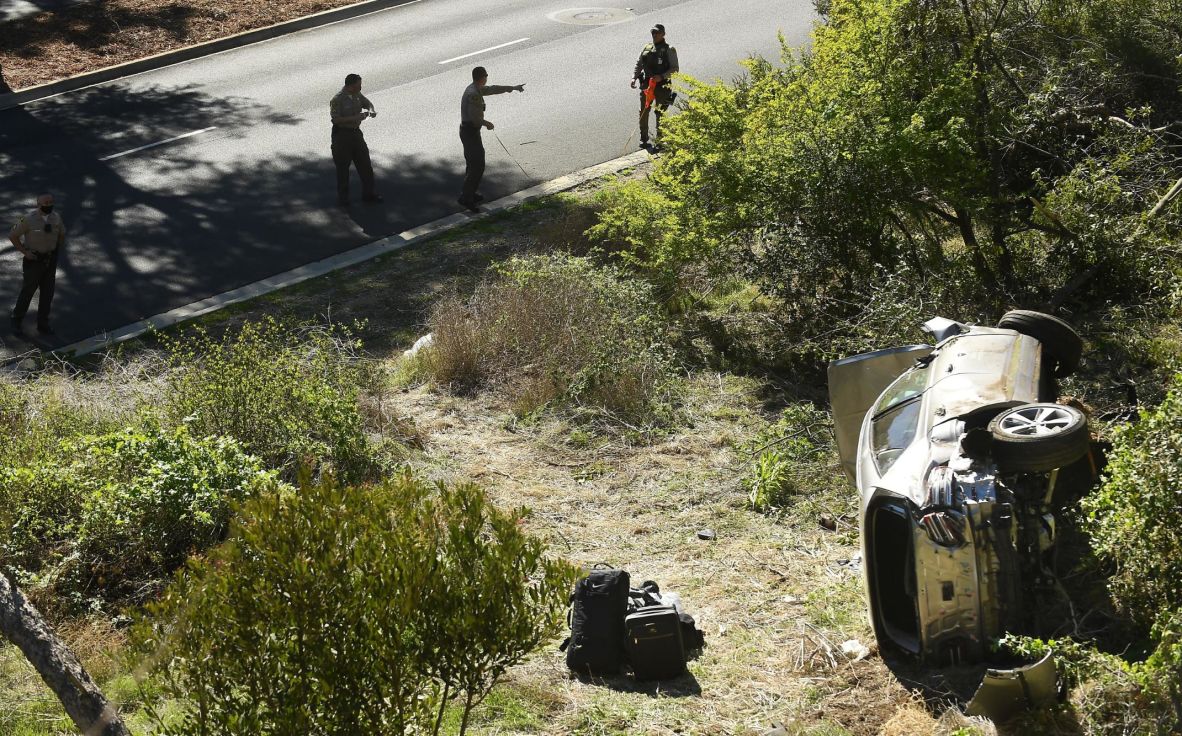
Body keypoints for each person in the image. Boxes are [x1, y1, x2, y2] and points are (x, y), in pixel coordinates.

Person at [458, 66, 525, 212]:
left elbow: (493, 89)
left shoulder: (475, 88)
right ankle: (467, 199)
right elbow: (475, 118)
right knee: (477, 165)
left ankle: (469, 193)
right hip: (470, 132)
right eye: (486, 75)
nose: (487, 78)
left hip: (470, 132)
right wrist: (487, 123)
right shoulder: (473, 93)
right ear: (481, 77)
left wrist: (512, 88)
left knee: (473, 164)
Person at [9, 193, 65, 335]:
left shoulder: (56, 218)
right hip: (33, 261)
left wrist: (55, 251)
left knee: (48, 293)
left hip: (50, 260)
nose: (48, 205)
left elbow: (61, 234)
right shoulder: (27, 219)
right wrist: (24, 252)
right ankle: (16, 319)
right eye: (45, 202)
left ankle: (43, 323)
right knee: (28, 291)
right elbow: (13, 235)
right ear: (38, 204)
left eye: (51, 202)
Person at [330, 73, 383, 206]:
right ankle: (343, 199)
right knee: (343, 169)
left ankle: (368, 194)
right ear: (350, 86)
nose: (361, 87)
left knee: (365, 164)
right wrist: (356, 117)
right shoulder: (337, 99)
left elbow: (367, 103)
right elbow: (336, 120)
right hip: (342, 136)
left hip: (356, 134)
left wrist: (371, 110)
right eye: (358, 85)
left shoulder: (357, 94)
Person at [632, 23, 679, 150]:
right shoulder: (647, 48)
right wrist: (634, 77)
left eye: (657, 33)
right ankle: (644, 139)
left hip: (662, 86)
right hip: (647, 85)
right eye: (653, 32)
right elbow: (639, 64)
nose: (654, 35)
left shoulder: (669, 49)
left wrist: (662, 76)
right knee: (643, 111)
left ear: (663, 34)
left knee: (660, 113)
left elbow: (675, 69)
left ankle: (660, 141)